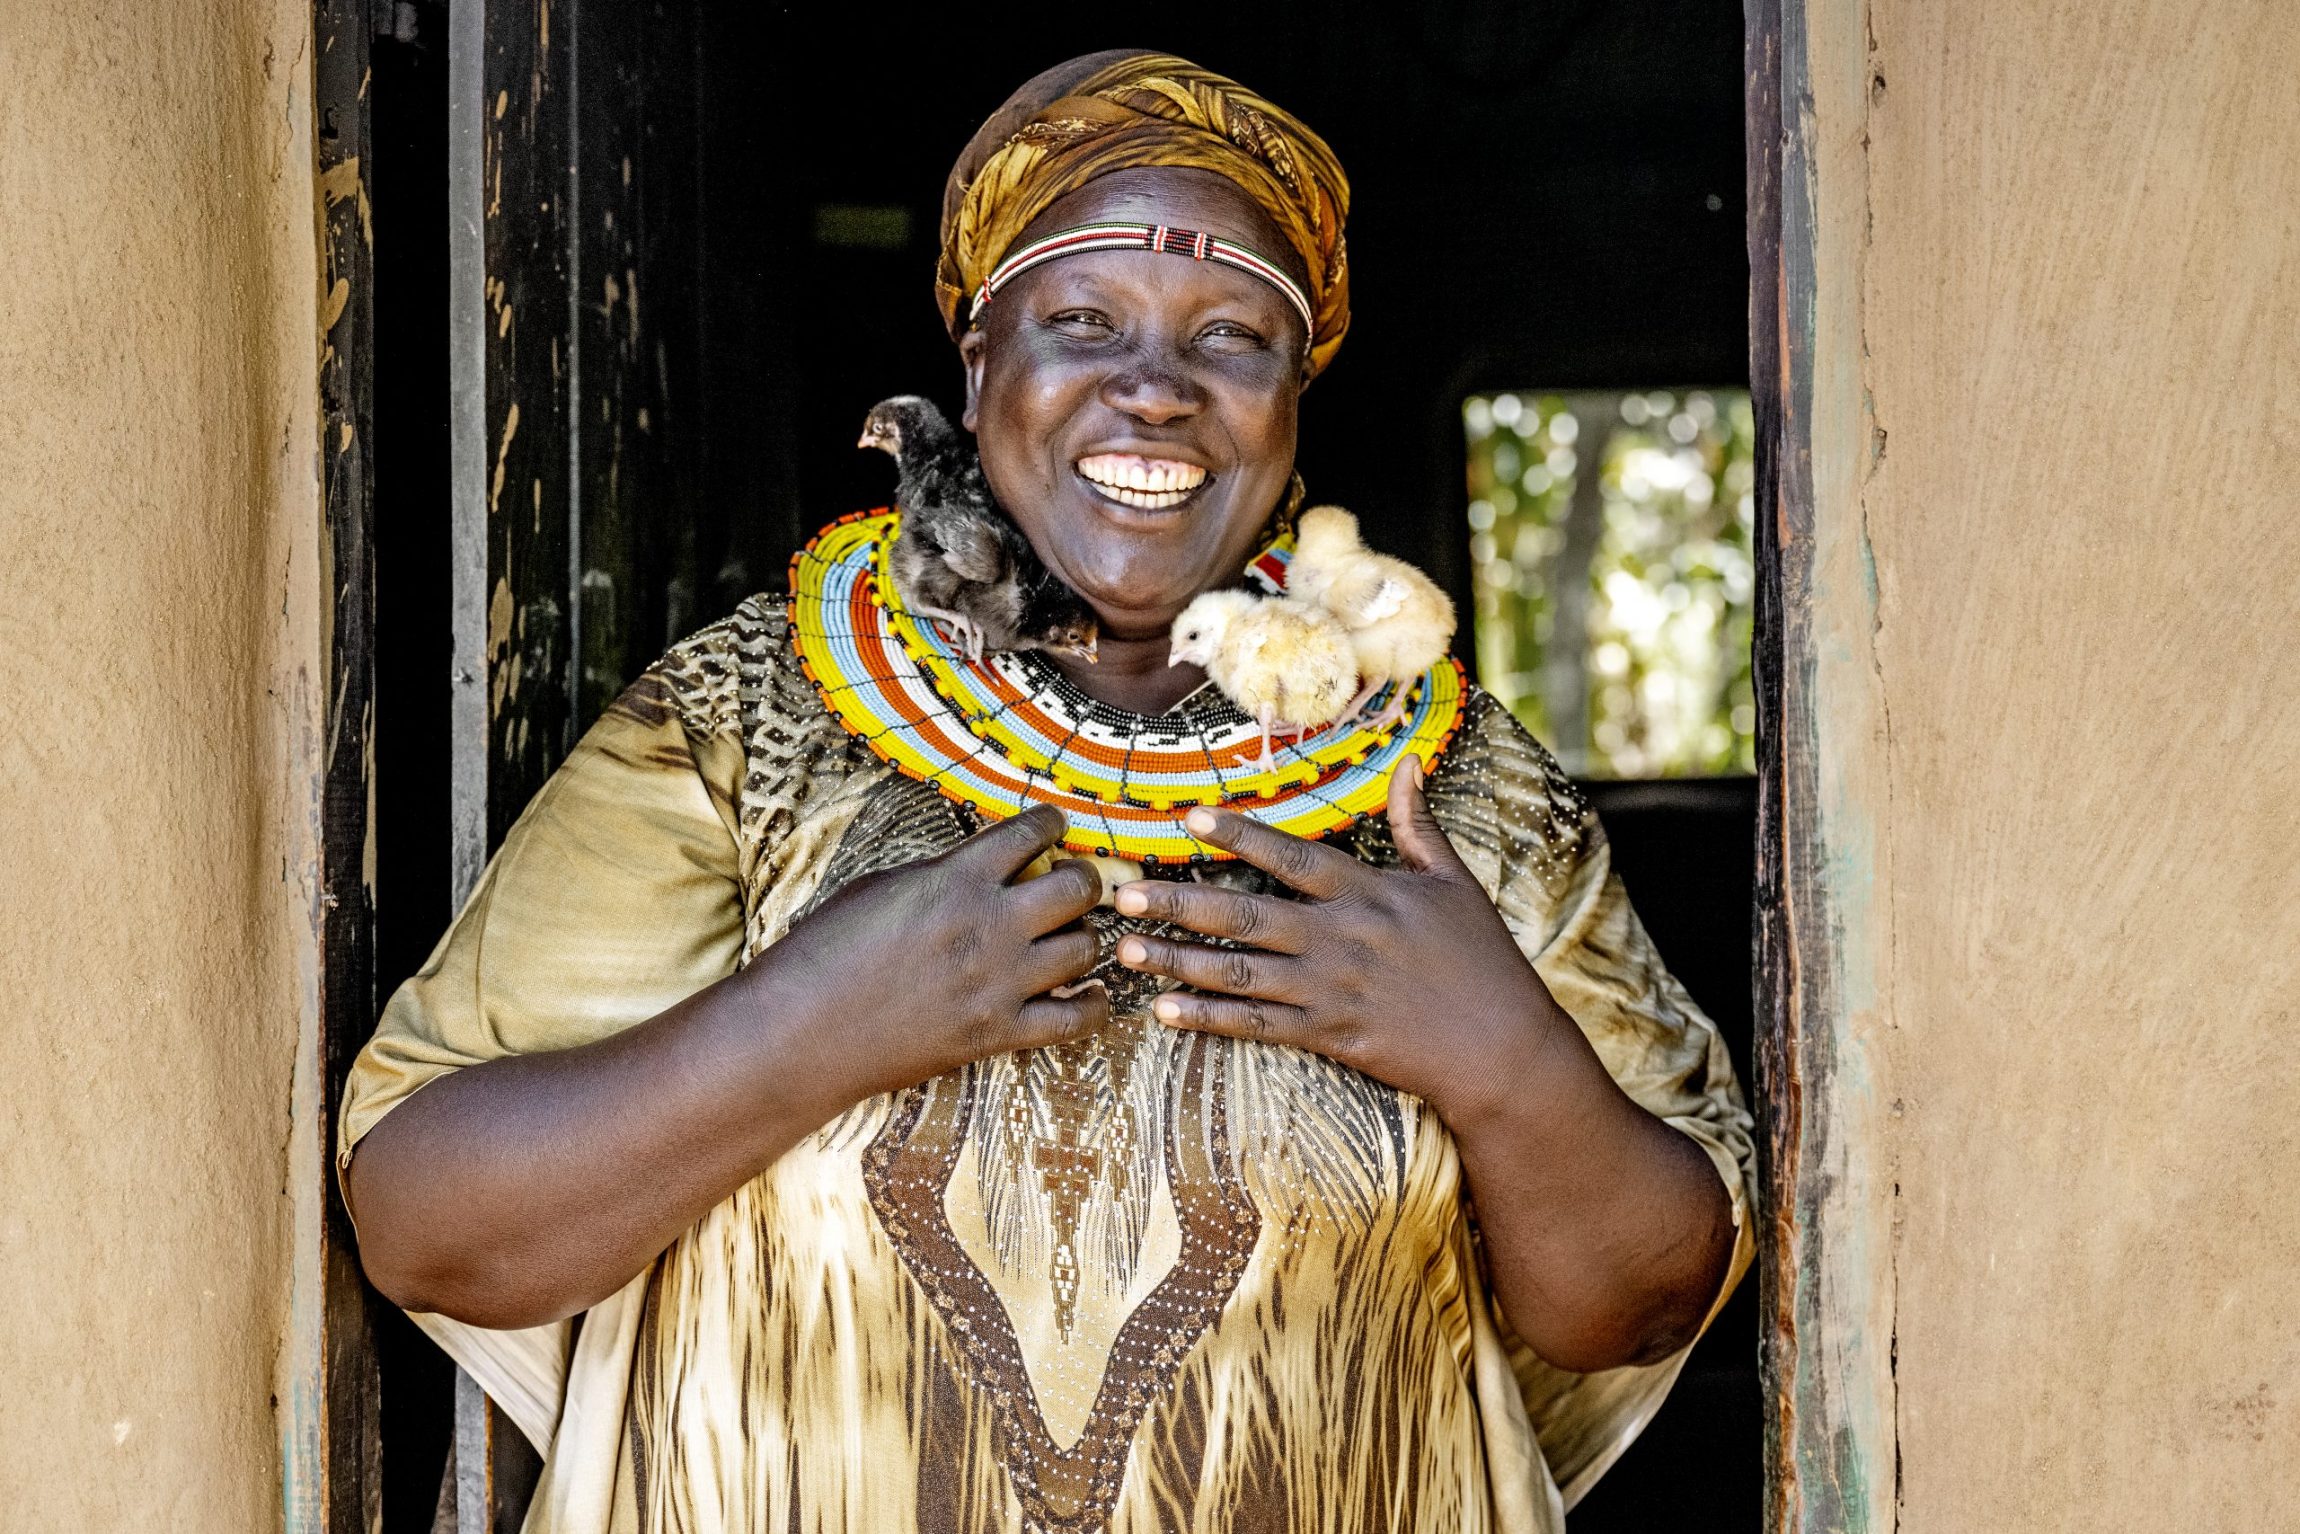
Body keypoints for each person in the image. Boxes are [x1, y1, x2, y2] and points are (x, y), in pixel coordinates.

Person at [339, 50, 1753, 1534]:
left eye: (1233, 338)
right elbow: (425, 1225)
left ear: (1291, 405)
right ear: (979, 367)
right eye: (1083, 324)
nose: (1155, 389)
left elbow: (1643, 1305)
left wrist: (1501, 1060)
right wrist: (806, 1026)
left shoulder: (1446, 781)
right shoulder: (742, 725)